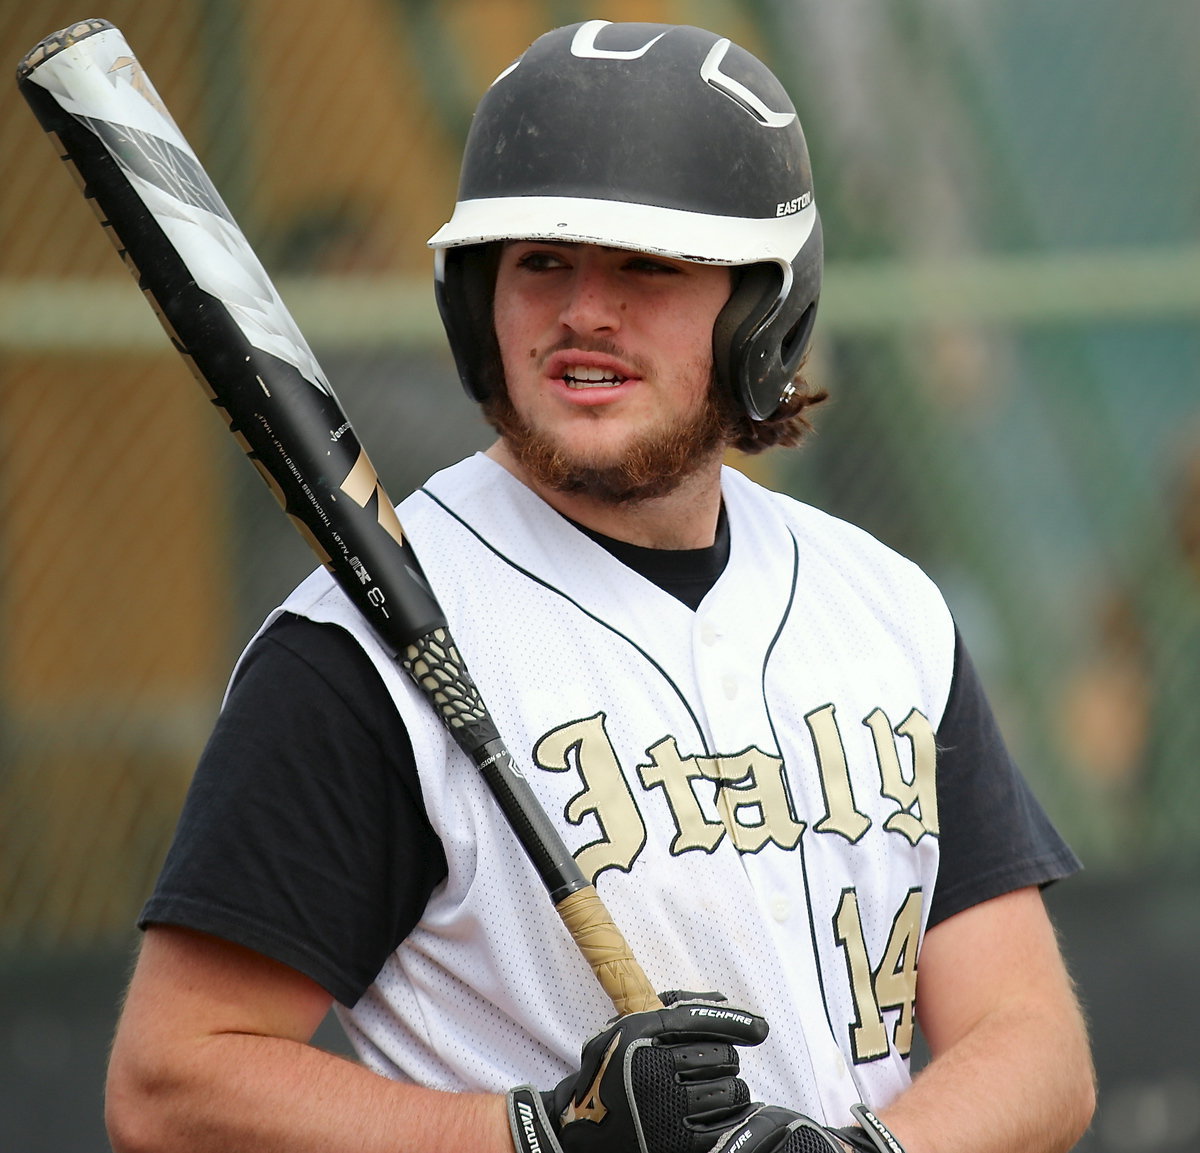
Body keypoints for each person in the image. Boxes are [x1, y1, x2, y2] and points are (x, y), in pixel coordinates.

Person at [104, 19, 1095, 1153]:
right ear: (476, 301)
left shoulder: (882, 607)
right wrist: (539, 1136)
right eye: (540, 263)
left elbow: (1035, 1043)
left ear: (764, 309)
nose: (584, 311)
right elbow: (172, 1083)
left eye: (646, 266)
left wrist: (868, 1151)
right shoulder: (354, 653)